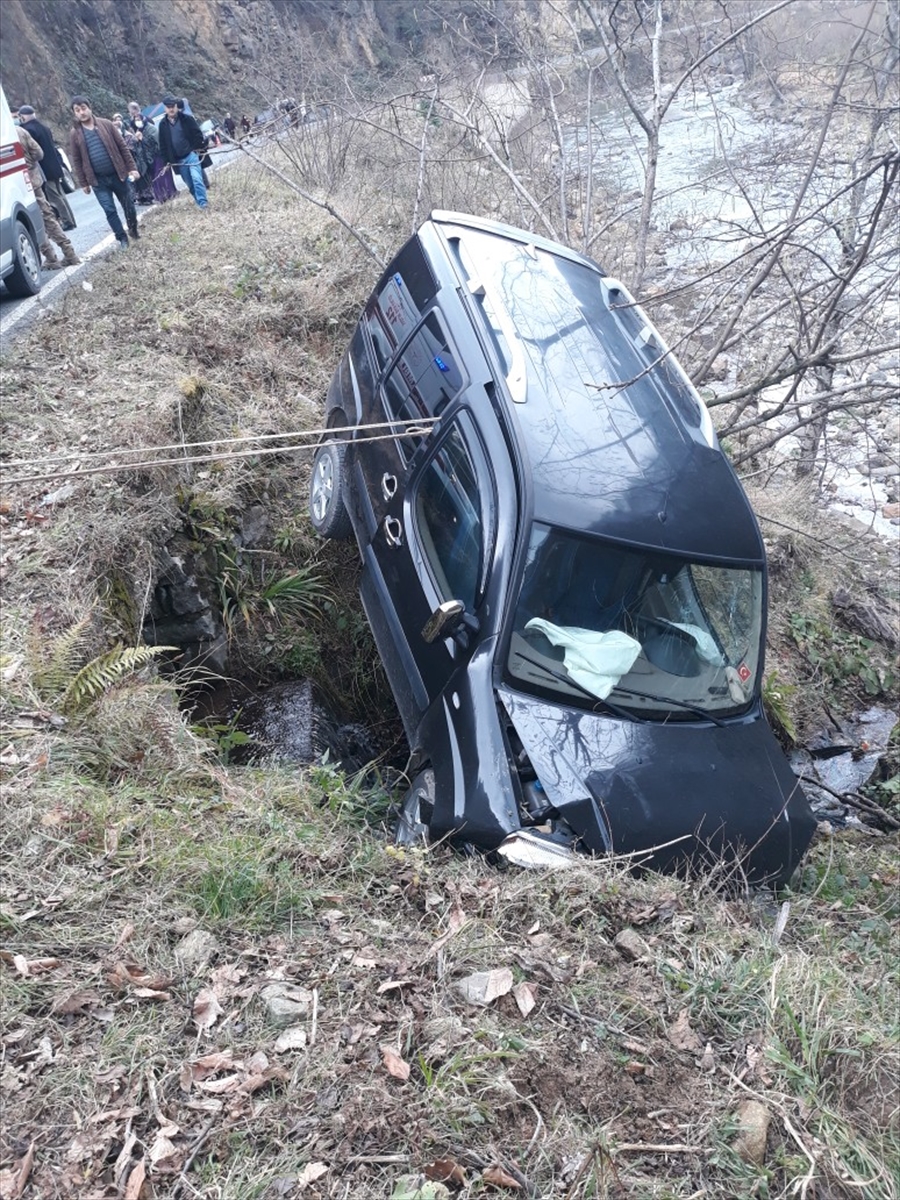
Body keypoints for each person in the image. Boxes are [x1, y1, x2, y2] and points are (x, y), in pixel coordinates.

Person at [68, 95, 141, 249]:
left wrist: (132, 168)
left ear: (89, 108)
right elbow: (77, 160)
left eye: (83, 108)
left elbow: (122, 147)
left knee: (129, 205)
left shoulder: (106, 124)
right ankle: (122, 239)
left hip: (118, 174)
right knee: (109, 210)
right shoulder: (75, 133)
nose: (81, 112)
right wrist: (84, 183)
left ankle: (133, 229)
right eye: (77, 110)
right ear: (74, 113)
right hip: (98, 180)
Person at [16, 126, 80, 269]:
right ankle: (69, 253)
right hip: (32, 179)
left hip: (12, 186)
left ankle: (50, 257)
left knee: (31, 222)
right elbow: (39, 153)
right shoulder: (19, 131)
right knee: (47, 216)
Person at [16, 104, 75, 231]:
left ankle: (67, 221)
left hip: (44, 169)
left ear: (23, 117)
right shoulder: (44, 127)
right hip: (55, 165)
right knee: (61, 194)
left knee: (54, 196)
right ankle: (71, 219)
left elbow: (35, 152)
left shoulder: (28, 130)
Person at [157, 94, 208, 209]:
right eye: (168, 107)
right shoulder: (163, 125)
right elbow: (163, 145)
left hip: (191, 155)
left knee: (197, 179)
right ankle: (199, 201)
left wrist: (197, 149)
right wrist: (166, 162)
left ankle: (203, 203)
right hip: (178, 160)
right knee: (190, 184)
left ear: (176, 107)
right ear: (165, 108)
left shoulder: (187, 119)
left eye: (173, 106)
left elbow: (197, 134)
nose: (171, 109)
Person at [126, 101, 157, 205]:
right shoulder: (131, 122)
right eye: (130, 111)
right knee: (141, 175)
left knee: (148, 174)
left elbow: (152, 131)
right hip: (137, 152)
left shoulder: (146, 119)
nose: (132, 113)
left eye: (133, 110)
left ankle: (150, 195)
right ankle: (141, 196)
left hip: (147, 150)